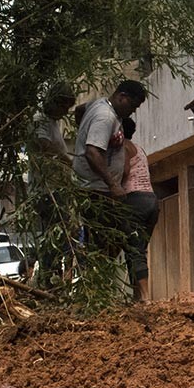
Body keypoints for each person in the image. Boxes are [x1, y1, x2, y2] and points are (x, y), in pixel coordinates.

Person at [72, 80, 148, 284]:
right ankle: (95, 283)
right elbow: (92, 151)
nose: (132, 111)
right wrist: (113, 184)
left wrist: (81, 129)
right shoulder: (105, 117)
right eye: (132, 106)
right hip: (97, 190)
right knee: (108, 239)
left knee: (105, 240)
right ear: (121, 96)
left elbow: (79, 110)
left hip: (99, 188)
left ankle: (97, 284)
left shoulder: (99, 106)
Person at [27, 84, 78, 282]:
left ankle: (54, 277)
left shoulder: (52, 122)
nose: (65, 113)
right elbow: (44, 148)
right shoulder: (40, 120)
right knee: (54, 234)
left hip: (57, 186)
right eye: (64, 107)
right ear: (55, 102)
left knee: (61, 234)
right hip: (46, 188)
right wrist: (69, 161)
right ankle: (50, 277)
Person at [121, 117, 160, 303]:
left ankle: (145, 298)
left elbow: (124, 172)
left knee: (135, 250)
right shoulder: (139, 148)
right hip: (151, 201)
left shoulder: (124, 147)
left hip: (134, 200)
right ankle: (137, 298)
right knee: (136, 249)